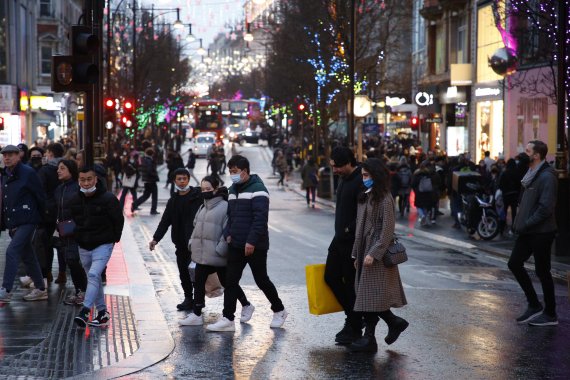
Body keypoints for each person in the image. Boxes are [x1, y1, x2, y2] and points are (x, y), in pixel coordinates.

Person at [206, 155, 287, 331]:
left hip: (255, 245)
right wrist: (228, 234)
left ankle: (279, 309)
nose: (232, 175)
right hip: (235, 243)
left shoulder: (258, 189)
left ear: (245, 171)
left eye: (235, 171)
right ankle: (228, 318)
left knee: (261, 280)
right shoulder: (233, 190)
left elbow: (260, 219)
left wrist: (251, 241)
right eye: (230, 171)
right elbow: (231, 216)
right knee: (231, 281)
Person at [348, 158, 408, 352]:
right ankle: (387, 327)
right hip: (365, 251)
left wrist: (373, 253)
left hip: (377, 255)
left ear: (376, 175)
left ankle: (374, 335)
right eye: (363, 175)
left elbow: (387, 230)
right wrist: (356, 254)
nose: (363, 178)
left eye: (366, 175)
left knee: (370, 296)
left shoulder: (384, 198)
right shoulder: (368, 195)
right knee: (368, 296)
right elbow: (360, 228)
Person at [179, 176, 253, 326]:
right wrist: (191, 243)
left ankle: (246, 305)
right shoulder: (203, 206)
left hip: (218, 254)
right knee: (198, 281)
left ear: (216, 189)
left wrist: (221, 249)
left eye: (208, 189)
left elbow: (228, 230)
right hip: (202, 254)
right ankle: (197, 313)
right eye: (203, 189)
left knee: (228, 283)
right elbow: (196, 227)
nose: (205, 191)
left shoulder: (225, 206)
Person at [508, 140, 558, 326]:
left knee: (542, 271)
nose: (523, 153)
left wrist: (525, 223)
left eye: (527, 151)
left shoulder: (546, 177)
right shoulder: (531, 174)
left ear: (536, 155)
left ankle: (551, 313)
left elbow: (546, 208)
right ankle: (534, 304)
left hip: (541, 232)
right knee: (514, 263)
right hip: (528, 231)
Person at [71, 166, 124, 327]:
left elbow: (118, 220)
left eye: (89, 179)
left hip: (103, 243)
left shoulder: (108, 198)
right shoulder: (75, 199)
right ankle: (102, 313)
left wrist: (113, 239)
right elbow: (74, 220)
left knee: (94, 275)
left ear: (95, 179)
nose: (86, 183)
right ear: (78, 180)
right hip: (84, 245)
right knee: (93, 279)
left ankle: (85, 311)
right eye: (82, 180)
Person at [0, 144, 48, 302]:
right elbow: (6, 200)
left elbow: (39, 195)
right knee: (28, 255)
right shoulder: (5, 173)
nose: (6, 158)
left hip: (28, 219)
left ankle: (6, 290)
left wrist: (43, 218)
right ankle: (40, 288)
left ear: (18, 156)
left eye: (10, 155)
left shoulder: (28, 173)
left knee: (12, 251)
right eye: (4, 155)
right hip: (14, 221)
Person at [324, 146, 363, 345]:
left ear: (349, 163)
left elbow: (364, 213)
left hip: (352, 241)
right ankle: (353, 317)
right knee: (330, 276)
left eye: (338, 167)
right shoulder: (342, 179)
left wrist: (349, 230)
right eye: (333, 166)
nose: (335, 170)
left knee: (350, 284)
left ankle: (354, 324)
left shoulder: (361, 180)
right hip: (338, 239)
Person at [149, 168, 202, 311]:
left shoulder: (198, 196)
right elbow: (165, 221)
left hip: (196, 243)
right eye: (179, 179)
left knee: (196, 273)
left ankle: (198, 299)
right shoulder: (173, 201)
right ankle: (188, 298)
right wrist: (155, 239)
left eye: (184, 178)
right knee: (184, 272)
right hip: (180, 243)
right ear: (174, 181)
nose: (182, 181)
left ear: (188, 179)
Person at [54, 159, 88, 306]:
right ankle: (80, 292)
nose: (58, 171)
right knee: (70, 261)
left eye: (62, 168)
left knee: (74, 262)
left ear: (71, 170)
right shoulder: (59, 189)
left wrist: (74, 226)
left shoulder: (77, 188)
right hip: (64, 232)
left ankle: (84, 292)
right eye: (58, 168)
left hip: (75, 231)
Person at [131, 148, 160, 215]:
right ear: (151, 154)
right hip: (151, 180)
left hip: (147, 181)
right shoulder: (149, 160)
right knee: (154, 196)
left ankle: (135, 204)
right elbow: (149, 171)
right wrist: (155, 175)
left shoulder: (144, 159)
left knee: (146, 195)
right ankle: (153, 210)